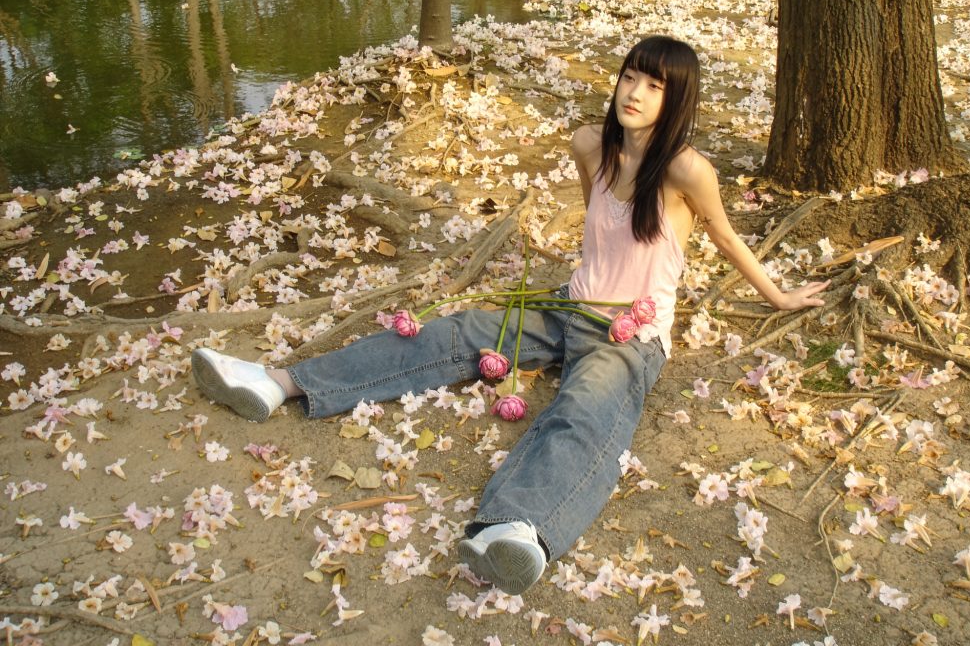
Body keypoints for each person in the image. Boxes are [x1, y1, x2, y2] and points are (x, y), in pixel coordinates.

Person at [191, 35, 829, 596]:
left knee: (584, 411)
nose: (634, 92)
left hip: (630, 336)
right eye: (630, 76)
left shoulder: (688, 171)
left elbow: (724, 237)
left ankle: (517, 529)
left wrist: (780, 297)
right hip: (567, 304)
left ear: (676, 98)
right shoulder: (590, 145)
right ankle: (277, 382)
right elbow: (597, 226)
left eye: (654, 85)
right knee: (454, 332)